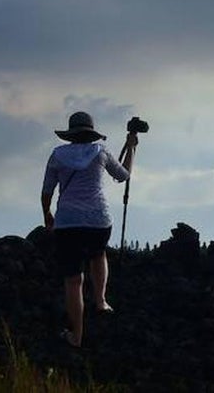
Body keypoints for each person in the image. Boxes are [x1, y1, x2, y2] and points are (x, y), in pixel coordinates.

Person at [41, 111, 136, 347]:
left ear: (71, 134)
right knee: (98, 254)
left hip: (68, 222)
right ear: (91, 133)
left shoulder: (57, 155)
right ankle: (101, 300)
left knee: (73, 281)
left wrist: (48, 216)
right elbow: (123, 175)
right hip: (98, 220)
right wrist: (131, 147)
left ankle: (76, 336)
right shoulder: (100, 151)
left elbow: (47, 192)